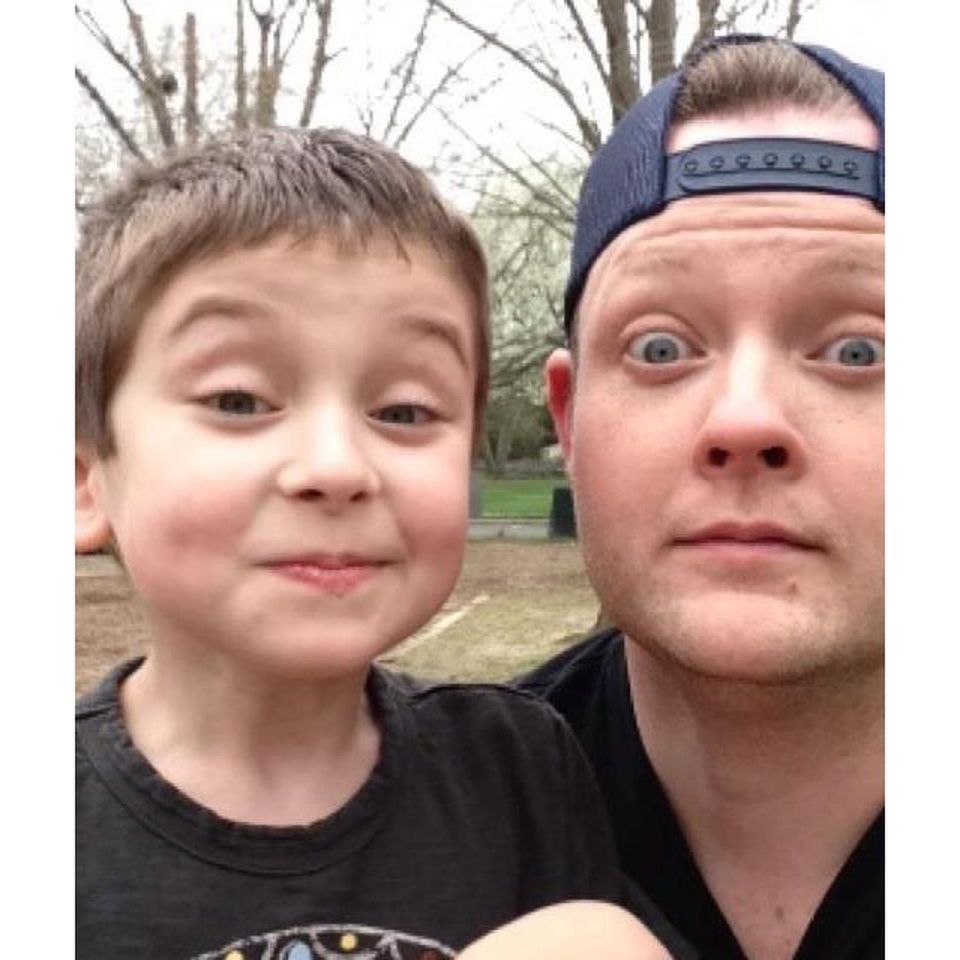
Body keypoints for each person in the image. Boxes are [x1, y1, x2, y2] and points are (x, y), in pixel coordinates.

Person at [75, 127, 675, 960]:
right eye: (239, 400)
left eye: (404, 411)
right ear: (83, 480)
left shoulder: (521, 768)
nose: (336, 467)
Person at [519, 35, 884, 960]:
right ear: (569, 419)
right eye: (659, 347)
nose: (745, 419)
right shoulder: (414, 832)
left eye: (860, 350)